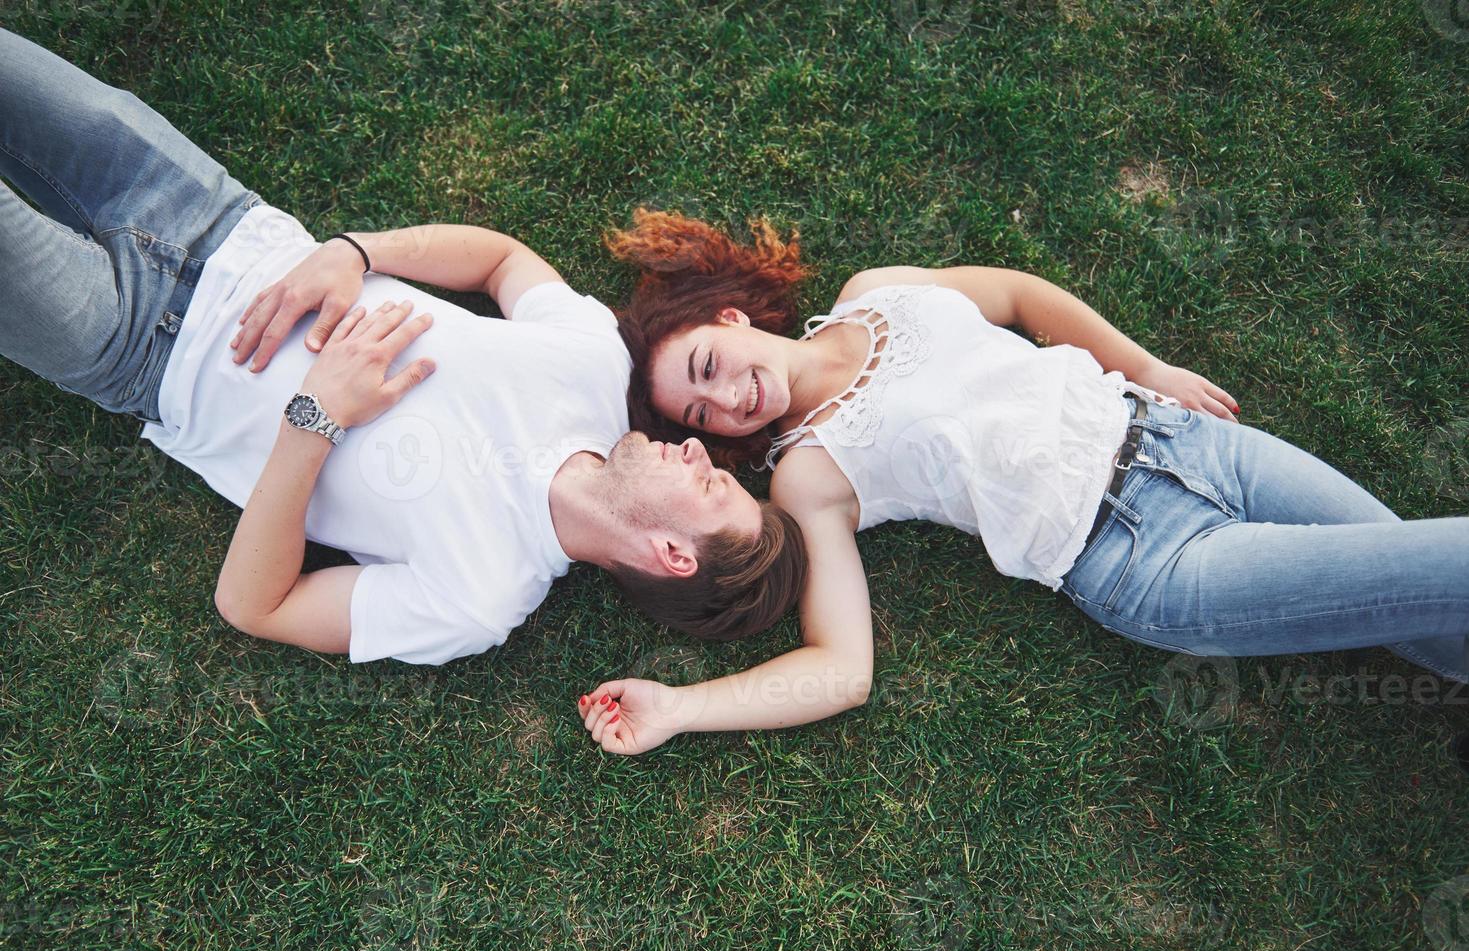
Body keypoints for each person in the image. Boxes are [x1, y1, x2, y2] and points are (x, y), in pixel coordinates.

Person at [0, 30, 808, 681]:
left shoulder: (478, 597)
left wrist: (315, 418)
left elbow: (255, 606)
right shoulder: (596, 366)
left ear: (670, 556)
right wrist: (355, 250)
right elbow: (500, 261)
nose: (700, 451)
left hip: (137, 351)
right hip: (214, 213)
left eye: (710, 488)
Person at [572, 208, 1469, 755]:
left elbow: (1015, 293)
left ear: (728, 318)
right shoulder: (810, 476)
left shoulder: (877, 291)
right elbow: (841, 671)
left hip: (1189, 442)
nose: (728, 397)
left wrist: (1145, 366)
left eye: (707, 365)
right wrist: (681, 708)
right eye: (702, 415)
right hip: (1148, 562)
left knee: (1431, 595)